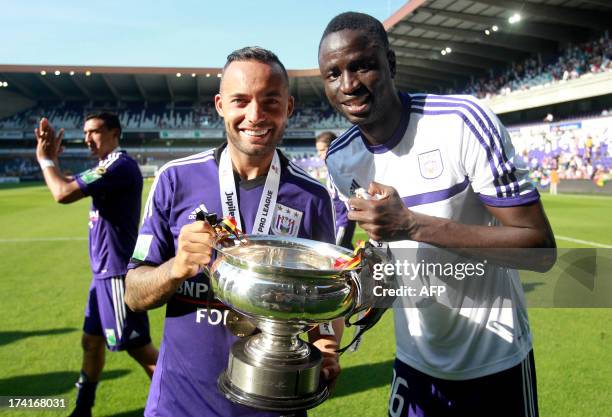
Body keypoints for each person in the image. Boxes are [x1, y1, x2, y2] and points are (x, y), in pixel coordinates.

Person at [318, 12, 556, 417]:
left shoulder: (461, 123)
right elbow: (391, 258)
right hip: (416, 363)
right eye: (333, 73)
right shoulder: (342, 159)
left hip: (494, 362)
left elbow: (540, 249)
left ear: (390, 64)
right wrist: (371, 285)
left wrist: (411, 224)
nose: (348, 85)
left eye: (362, 66)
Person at [125, 47, 342, 417]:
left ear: (288, 107)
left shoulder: (312, 196)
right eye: (240, 100)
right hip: (179, 406)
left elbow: (324, 296)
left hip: (276, 404)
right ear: (220, 104)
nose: (255, 115)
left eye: (270, 101)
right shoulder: (175, 179)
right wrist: (176, 267)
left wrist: (325, 344)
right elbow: (133, 293)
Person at [35, 112, 158, 417]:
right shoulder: (108, 166)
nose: (87, 138)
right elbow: (67, 183)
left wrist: (45, 159)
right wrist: (53, 162)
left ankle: (181, 406)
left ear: (114, 133)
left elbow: (61, 193)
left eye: (94, 132)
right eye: (85, 132)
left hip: (116, 274)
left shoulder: (119, 165)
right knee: (91, 342)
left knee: (139, 348)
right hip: (102, 274)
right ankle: (82, 409)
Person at [315, 131, 356, 249]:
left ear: (333, 147)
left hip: (343, 222)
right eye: (318, 150)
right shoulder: (331, 169)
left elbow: (348, 200)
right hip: (336, 222)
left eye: (322, 150)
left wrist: (344, 222)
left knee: (335, 256)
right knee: (346, 252)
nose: (319, 154)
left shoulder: (341, 170)